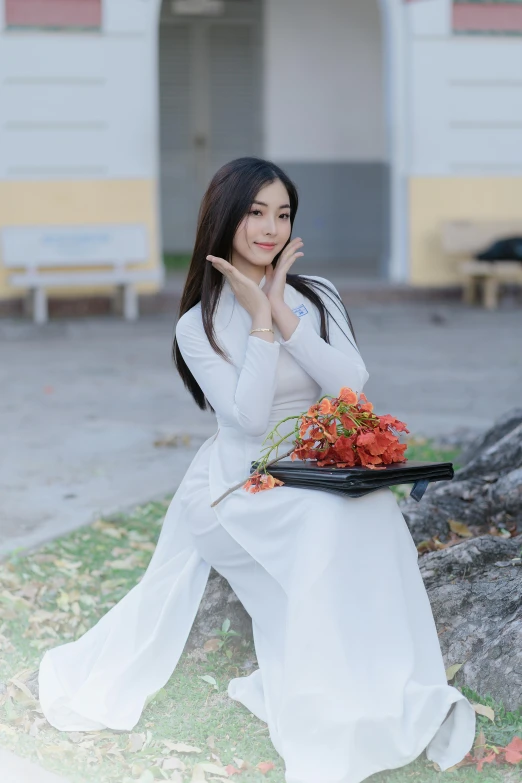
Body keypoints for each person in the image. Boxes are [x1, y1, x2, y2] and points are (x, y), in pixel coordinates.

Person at [38, 157, 476, 783]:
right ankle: (331, 706)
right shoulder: (200, 322)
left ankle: (384, 688)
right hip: (240, 483)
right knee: (325, 522)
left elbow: (351, 383)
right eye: (255, 212)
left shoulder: (317, 294)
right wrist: (260, 321)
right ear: (225, 217)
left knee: (374, 508)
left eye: (282, 213)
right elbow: (245, 420)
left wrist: (282, 307)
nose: (270, 228)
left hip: (316, 464)